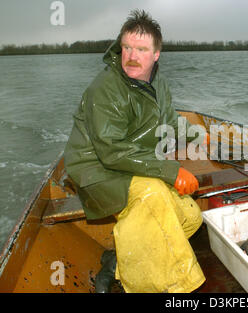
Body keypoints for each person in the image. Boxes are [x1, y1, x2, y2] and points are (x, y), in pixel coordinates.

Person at [64, 9, 206, 293]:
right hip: (96, 169)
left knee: (191, 218)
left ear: (156, 54)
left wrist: (210, 139)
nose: (131, 55)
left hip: (131, 164)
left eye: (141, 49)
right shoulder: (105, 89)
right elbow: (112, 151)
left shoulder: (158, 83)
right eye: (126, 47)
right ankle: (171, 289)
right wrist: (169, 170)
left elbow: (169, 122)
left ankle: (117, 262)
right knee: (153, 194)